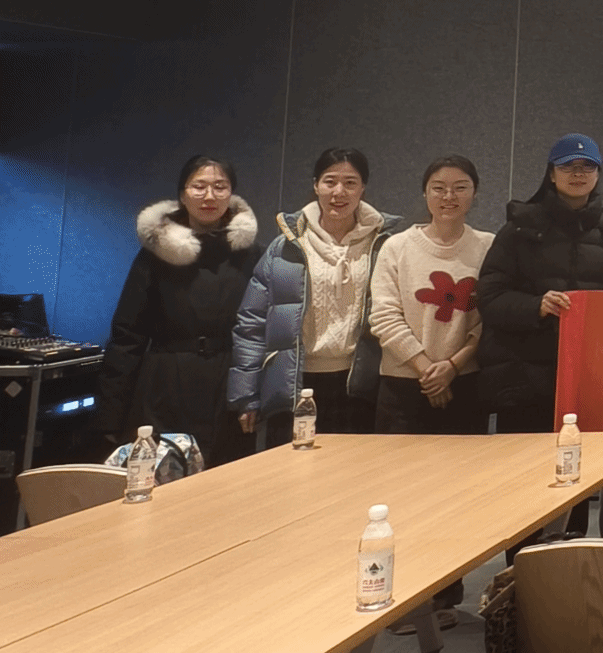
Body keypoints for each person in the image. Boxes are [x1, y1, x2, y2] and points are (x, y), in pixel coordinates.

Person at [230, 148, 401, 445]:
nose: (339, 192)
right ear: (315, 185)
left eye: (350, 183)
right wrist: (246, 394)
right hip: (293, 384)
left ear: (363, 188)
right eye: (329, 181)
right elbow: (252, 322)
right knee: (290, 468)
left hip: (361, 385)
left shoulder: (384, 245)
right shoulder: (286, 246)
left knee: (356, 470)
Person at [101, 155, 262, 465]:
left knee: (226, 478)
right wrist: (111, 415)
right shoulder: (156, 253)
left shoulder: (252, 253)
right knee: (164, 476)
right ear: (182, 194)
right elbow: (127, 336)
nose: (209, 196)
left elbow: (260, 332)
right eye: (199, 186)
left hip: (228, 386)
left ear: (231, 195)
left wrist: (252, 395)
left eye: (220, 187)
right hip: (164, 385)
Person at [474, 134, 603, 437]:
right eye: (567, 167)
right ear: (551, 174)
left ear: (598, 174)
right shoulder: (519, 228)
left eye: (587, 167)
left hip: (591, 379)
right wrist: (535, 306)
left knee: (592, 462)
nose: (578, 174)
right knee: (523, 464)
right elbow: (489, 296)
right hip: (524, 378)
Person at [367, 155, 492, 436]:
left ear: (475, 193)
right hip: (402, 386)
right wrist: (427, 371)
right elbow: (384, 317)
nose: (448, 196)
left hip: (465, 383)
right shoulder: (396, 247)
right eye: (438, 188)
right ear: (425, 192)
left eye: (460, 187)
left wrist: (452, 367)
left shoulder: (489, 247)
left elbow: (490, 319)